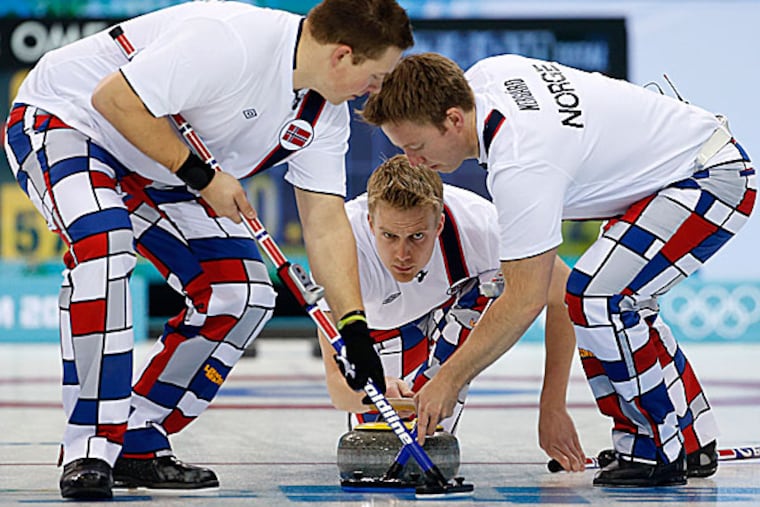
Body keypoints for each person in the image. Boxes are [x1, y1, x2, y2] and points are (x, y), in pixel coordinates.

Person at [3, 0, 412, 499]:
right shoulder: (230, 40)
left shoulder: (325, 114)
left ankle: (136, 438)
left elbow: (325, 224)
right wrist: (201, 175)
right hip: (71, 122)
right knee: (104, 246)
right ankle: (91, 446)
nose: (376, 90)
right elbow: (115, 100)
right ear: (342, 56)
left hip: (160, 161)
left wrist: (354, 328)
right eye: (376, 75)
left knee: (243, 293)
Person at [359, 52, 756, 487]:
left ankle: (655, 447)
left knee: (598, 296)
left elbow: (525, 298)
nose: (413, 160)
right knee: (619, 301)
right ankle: (689, 439)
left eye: (415, 147)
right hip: (694, 162)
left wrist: (447, 380)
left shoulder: (522, 161)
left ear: (454, 120)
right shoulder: (488, 75)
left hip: (710, 177)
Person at [317, 154, 586, 472]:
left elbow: (566, 295)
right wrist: (372, 393)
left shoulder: (482, 227)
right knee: (382, 450)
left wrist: (552, 406)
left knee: (424, 444)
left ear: (440, 223)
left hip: (456, 307)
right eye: (390, 236)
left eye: (417, 236)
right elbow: (338, 388)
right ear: (371, 224)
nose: (403, 254)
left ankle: (444, 381)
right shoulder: (337, 247)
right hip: (377, 329)